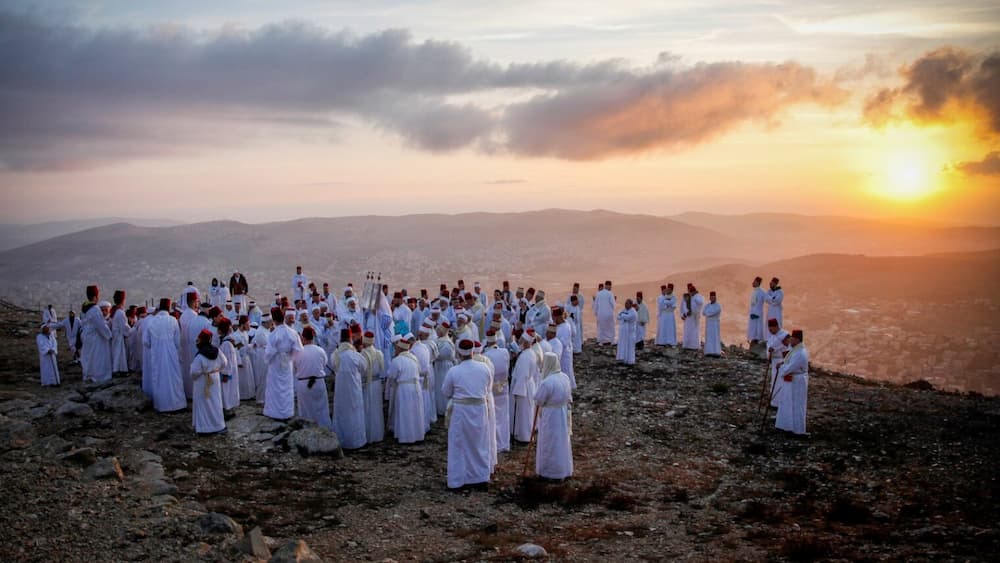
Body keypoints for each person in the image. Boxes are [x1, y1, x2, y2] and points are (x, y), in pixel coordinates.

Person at [442, 339, 493, 490]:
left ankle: (458, 480)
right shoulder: (484, 368)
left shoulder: (454, 370)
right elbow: (488, 388)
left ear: (458, 353)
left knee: (459, 444)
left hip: (461, 411)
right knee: (479, 443)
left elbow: (446, 391)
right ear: (473, 351)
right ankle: (480, 477)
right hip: (479, 409)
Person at [533, 352, 573, 480]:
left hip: (550, 416)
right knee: (562, 441)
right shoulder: (565, 377)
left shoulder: (547, 382)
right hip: (562, 412)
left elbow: (539, 399)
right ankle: (563, 470)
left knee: (549, 442)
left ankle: (549, 472)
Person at [144, 298, 186, 413]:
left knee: (159, 378)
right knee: (173, 378)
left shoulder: (151, 321)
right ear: (168, 308)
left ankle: (162, 405)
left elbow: (146, 342)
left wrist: (156, 345)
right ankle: (176, 404)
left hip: (157, 355)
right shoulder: (173, 320)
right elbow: (178, 342)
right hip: (171, 354)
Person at [263, 308, 303, 420]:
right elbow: (299, 349)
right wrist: (291, 357)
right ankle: (287, 411)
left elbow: (269, 353)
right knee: (287, 386)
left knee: (275, 386)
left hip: (276, 361)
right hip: (287, 361)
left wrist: (269, 358)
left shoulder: (273, 334)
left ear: (274, 320)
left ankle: (275, 412)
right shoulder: (292, 332)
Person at [330, 329, 367, 449]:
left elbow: (333, 367)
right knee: (355, 414)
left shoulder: (335, 355)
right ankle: (356, 441)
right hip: (354, 389)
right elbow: (364, 368)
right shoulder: (355, 355)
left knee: (341, 414)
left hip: (341, 390)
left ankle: (342, 440)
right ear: (350, 340)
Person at [385, 335, 425, 444]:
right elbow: (420, 370)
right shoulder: (414, 358)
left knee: (405, 412)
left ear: (400, 349)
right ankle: (417, 435)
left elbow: (391, 375)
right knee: (414, 412)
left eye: (396, 347)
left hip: (404, 388)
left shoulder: (397, 360)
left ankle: (405, 436)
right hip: (415, 387)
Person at [293, 326, 333, 430]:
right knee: (321, 409)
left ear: (303, 337)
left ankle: (307, 432)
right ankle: (324, 430)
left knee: (305, 410)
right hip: (318, 382)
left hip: (303, 384)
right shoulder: (320, 350)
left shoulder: (298, 352)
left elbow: (295, 366)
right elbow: (324, 363)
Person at [190, 329, 227, 435]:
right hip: (214, 378)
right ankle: (218, 425)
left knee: (204, 402)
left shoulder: (200, 355)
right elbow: (224, 362)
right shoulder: (217, 351)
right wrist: (217, 369)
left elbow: (194, 372)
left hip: (203, 380)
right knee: (215, 402)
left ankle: (205, 427)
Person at [775, 329, 809, 435]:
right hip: (791, 382)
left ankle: (798, 430)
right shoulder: (795, 350)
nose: (790, 341)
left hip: (797, 382)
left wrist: (781, 367)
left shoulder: (800, 353)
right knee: (789, 403)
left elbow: (789, 368)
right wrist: (782, 364)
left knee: (797, 405)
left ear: (797, 339)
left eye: (793, 339)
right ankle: (788, 427)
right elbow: (787, 362)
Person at [483, 330, 511, 453]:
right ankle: (504, 443)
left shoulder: (486, 356)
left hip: (493, 389)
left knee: (494, 417)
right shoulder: (505, 352)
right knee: (504, 416)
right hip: (504, 387)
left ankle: (496, 444)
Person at [510, 332, 540, 442]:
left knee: (523, 413)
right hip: (528, 386)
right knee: (526, 411)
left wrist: (518, 391)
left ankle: (524, 437)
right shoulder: (529, 353)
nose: (520, 342)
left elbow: (522, 375)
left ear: (527, 343)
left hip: (523, 388)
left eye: (522, 340)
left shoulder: (526, 356)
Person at [81, 289, 113, 383]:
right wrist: (109, 334)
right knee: (98, 357)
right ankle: (99, 377)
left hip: (88, 336)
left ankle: (89, 374)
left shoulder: (85, 308)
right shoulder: (94, 309)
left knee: (89, 356)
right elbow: (100, 325)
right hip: (96, 337)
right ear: (95, 297)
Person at [360, 331, 386, 443]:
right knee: (376, 409)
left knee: (367, 408)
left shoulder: (362, 354)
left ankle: (368, 434)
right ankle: (378, 434)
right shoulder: (379, 353)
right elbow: (382, 369)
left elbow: (362, 371)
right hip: (376, 383)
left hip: (367, 383)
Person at [217, 318, 240, 415]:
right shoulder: (227, 341)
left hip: (227, 373)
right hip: (229, 371)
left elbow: (228, 361)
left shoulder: (226, 344)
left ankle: (228, 409)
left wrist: (226, 374)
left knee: (227, 391)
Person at [765, 320, 789, 407]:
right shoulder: (772, 337)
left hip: (781, 362)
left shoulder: (784, 335)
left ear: (775, 327)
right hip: (774, 362)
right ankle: (774, 403)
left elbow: (787, 348)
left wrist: (774, 349)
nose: (770, 331)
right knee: (774, 382)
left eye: (771, 329)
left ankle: (780, 403)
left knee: (780, 383)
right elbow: (769, 347)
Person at [552, 307, 576, 389]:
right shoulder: (559, 326)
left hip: (564, 354)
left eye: (554, 317)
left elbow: (563, 343)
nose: (553, 319)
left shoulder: (565, 327)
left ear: (558, 317)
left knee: (566, 372)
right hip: (559, 353)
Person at [234, 315, 256, 401]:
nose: (249, 326)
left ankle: (249, 394)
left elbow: (246, 346)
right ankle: (243, 395)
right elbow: (239, 349)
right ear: (242, 324)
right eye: (247, 324)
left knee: (248, 377)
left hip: (247, 358)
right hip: (241, 359)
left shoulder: (245, 333)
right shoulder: (236, 336)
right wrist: (251, 346)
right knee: (242, 378)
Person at [680, 284, 705, 351]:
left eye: (691, 291)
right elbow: (682, 307)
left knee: (694, 331)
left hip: (694, 317)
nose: (689, 292)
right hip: (688, 317)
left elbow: (700, 303)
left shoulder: (698, 296)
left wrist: (695, 296)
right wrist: (683, 314)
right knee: (687, 331)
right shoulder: (686, 297)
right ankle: (687, 345)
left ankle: (694, 346)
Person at [593, 281, 617, 345]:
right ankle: (611, 340)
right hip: (609, 314)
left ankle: (602, 341)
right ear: (607, 285)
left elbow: (596, 304)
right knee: (610, 327)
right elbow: (614, 305)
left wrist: (595, 312)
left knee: (601, 327)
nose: (610, 287)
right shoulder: (610, 293)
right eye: (610, 286)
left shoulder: (599, 293)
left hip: (600, 314)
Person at [616, 299, 638, 365]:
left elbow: (628, 317)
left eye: (627, 303)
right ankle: (622, 359)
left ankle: (630, 361)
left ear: (631, 305)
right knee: (623, 345)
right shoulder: (624, 310)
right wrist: (622, 315)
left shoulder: (633, 312)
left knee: (630, 347)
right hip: (623, 333)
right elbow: (618, 316)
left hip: (630, 333)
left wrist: (622, 315)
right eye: (625, 303)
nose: (625, 305)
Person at [747, 277, 767, 345]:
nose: (753, 283)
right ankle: (753, 339)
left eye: (754, 281)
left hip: (758, 313)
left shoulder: (762, 292)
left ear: (758, 283)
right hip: (753, 312)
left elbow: (763, 301)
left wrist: (756, 313)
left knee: (758, 327)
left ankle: (757, 340)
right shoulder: (754, 291)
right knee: (753, 327)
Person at [703, 291, 722, 357]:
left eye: (714, 297)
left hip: (715, 324)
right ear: (710, 298)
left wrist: (708, 312)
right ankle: (708, 351)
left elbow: (711, 313)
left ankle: (716, 352)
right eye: (712, 297)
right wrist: (708, 312)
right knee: (709, 337)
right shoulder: (707, 305)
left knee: (715, 337)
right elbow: (703, 312)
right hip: (708, 324)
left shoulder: (718, 305)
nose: (713, 298)